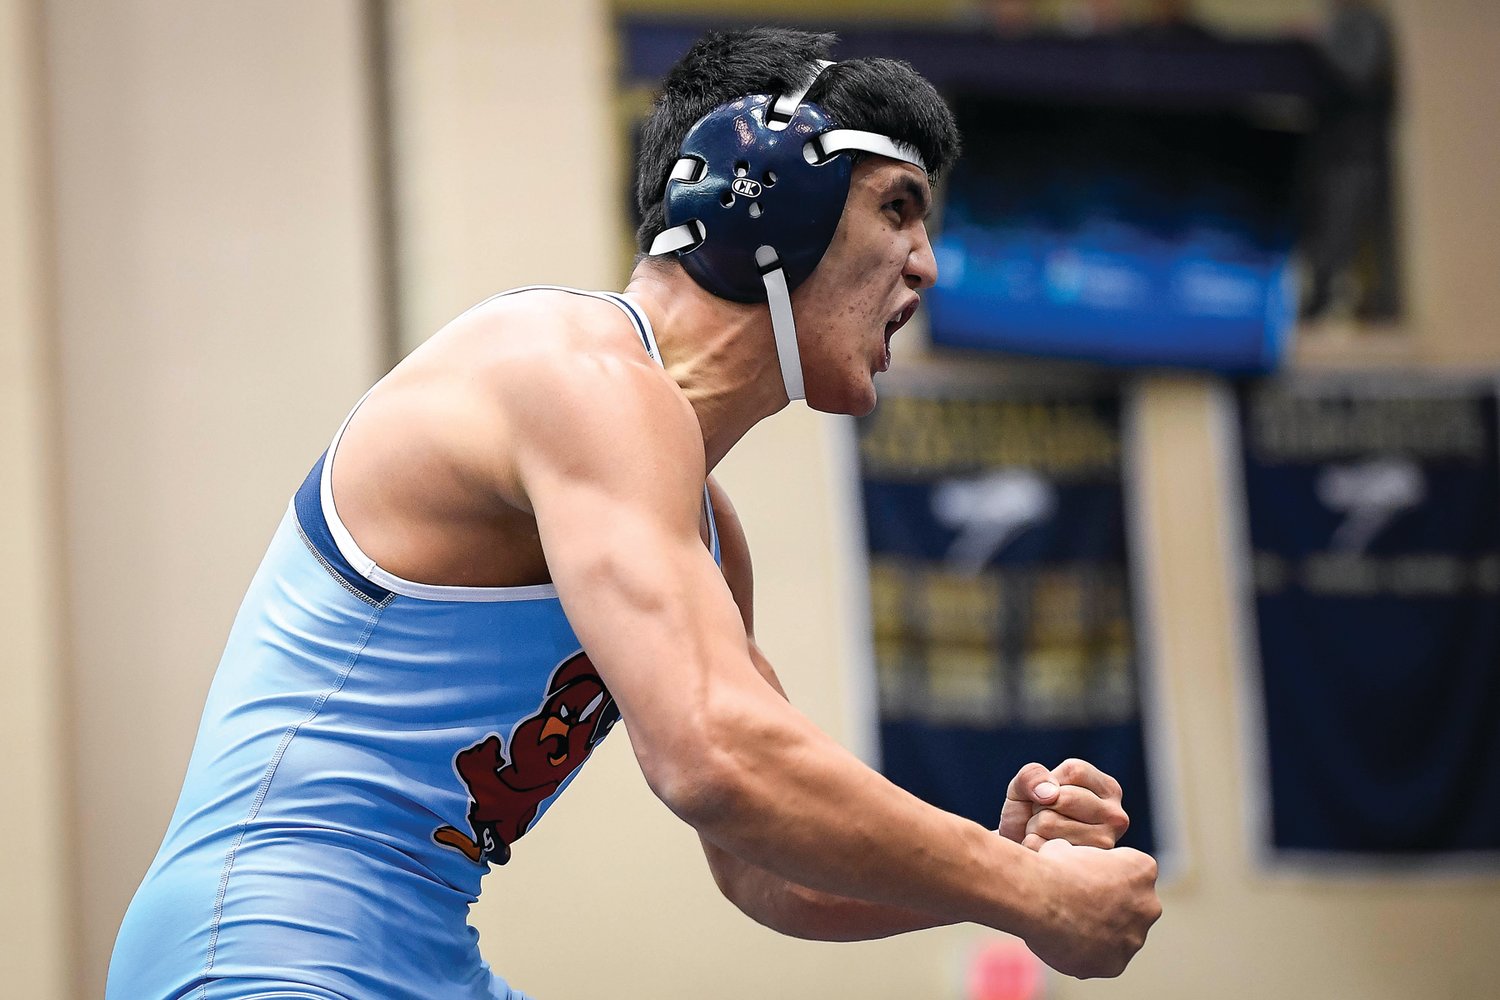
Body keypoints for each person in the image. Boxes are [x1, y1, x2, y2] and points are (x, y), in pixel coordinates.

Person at [106, 27, 1161, 1000]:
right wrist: (1027, 895)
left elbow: (765, 868)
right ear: (769, 188)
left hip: (405, 957)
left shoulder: (704, 529)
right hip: (260, 949)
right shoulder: (573, 369)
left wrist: (1000, 863)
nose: (926, 264)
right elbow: (714, 755)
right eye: (897, 207)